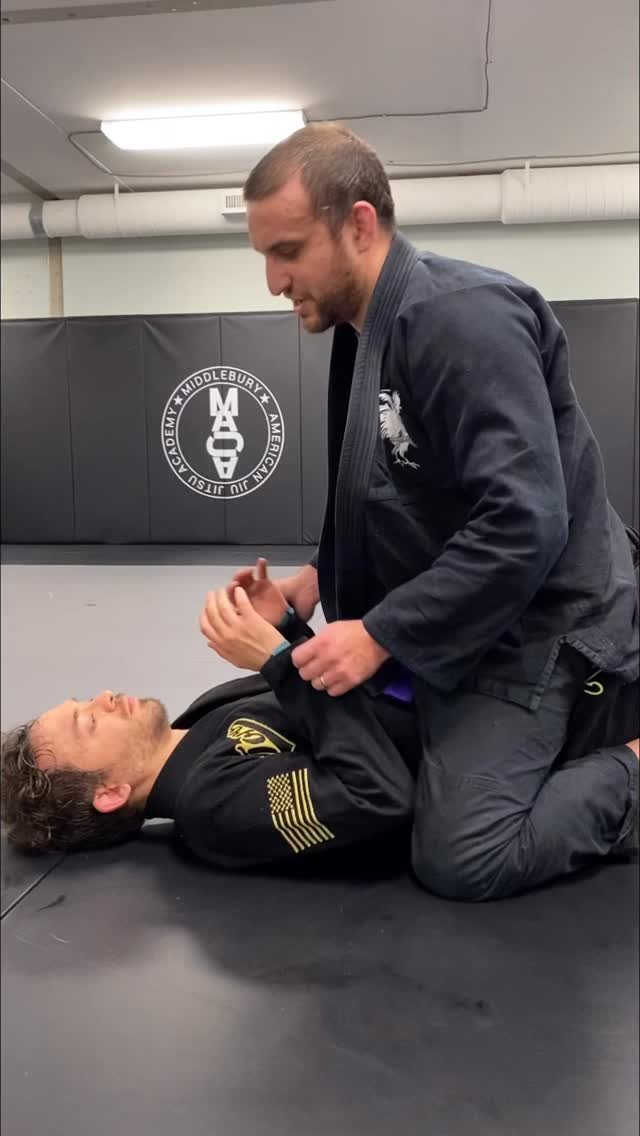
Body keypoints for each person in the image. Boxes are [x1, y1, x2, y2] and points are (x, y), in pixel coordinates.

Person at [237, 121, 639, 900]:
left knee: (462, 855)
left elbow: (525, 522)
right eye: (264, 255)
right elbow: (396, 486)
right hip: (469, 617)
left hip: (543, 626)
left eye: (288, 251)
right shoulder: (366, 334)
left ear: (358, 225)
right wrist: (319, 579)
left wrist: (381, 633)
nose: (274, 281)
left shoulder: (462, 319)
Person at [0, 569, 417, 867]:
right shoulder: (211, 808)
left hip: (421, 674)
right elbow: (375, 794)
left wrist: (286, 629)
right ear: (111, 793)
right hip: (444, 729)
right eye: (89, 723)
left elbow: (329, 708)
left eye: (85, 701)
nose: (105, 697)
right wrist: (278, 660)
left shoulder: (199, 718)